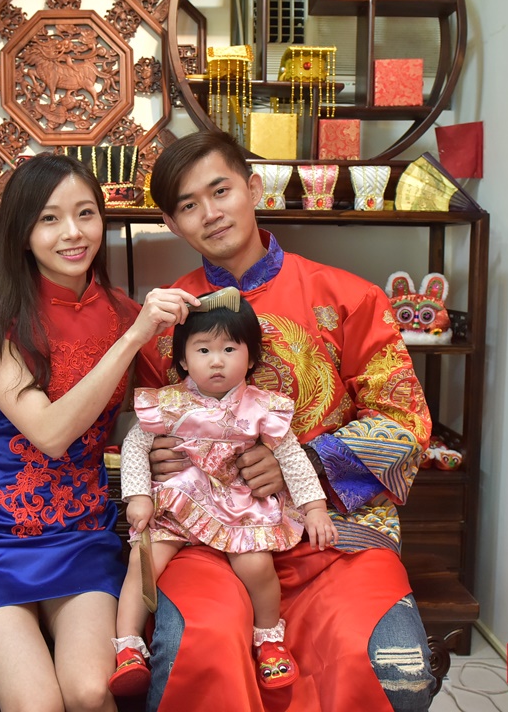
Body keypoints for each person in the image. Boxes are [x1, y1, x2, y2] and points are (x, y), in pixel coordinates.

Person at [135, 130, 437, 712]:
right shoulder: (165, 320)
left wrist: (306, 466)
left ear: (253, 189)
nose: (210, 213)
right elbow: (146, 430)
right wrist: (154, 455)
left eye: (220, 191)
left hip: (336, 534)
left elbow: (405, 422)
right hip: (208, 537)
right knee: (200, 648)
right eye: (188, 205)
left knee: (379, 664)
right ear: (173, 225)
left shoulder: (349, 299)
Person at [0, 153, 198, 712]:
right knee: (37, 704)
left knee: (89, 691)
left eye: (85, 213)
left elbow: (169, 406)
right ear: (22, 231)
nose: (73, 233)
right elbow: (51, 433)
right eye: (50, 219)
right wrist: (132, 338)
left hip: (81, 532)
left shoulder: (123, 312)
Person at [108, 289, 337, 696]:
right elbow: (135, 446)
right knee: (144, 563)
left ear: (250, 357)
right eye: (203, 350)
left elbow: (292, 458)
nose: (217, 361)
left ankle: (268, 639)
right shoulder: (168, 403)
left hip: (237, 504)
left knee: (256, 566)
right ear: (183, 360)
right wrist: (139, 496)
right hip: (178, 503)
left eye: (230, 349)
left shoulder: (262, 407)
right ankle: (128, 647)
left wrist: (315, 508)